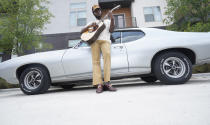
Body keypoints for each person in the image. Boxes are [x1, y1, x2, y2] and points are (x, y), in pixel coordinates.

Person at [80, 5, 117, 93]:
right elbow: (81, 32)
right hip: (94, 41)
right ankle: (99, 84)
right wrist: (89, 27)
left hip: (105, 41)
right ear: (93, 13)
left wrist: (112, 19)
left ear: (101, 11)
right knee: (95, 62)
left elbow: (111, 30)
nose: (98, 12)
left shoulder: (107, 21)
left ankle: (107, 83)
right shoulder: (91, 23)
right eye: (95, 11)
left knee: (107, 58)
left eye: (99, 10)